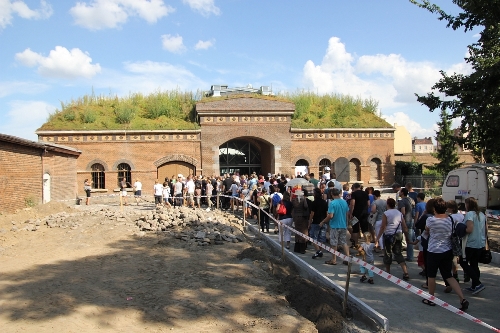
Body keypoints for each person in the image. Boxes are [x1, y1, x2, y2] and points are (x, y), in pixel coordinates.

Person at [424, 198, 469, 311]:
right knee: (448, 276)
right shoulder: (450, 219)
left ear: (434, 209)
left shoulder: (431, 220)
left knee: (431, 275)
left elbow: (427, 230)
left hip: (433, 251)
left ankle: (431, 298)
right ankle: (462, 299)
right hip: (447, 250)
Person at [375, 198, 410, 281]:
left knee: (388, 253)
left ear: (387, 204)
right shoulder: (399, 213)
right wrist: (407, 237)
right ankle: (405, 272)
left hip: (388, 235)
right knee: (398, 253)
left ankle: (388, 272)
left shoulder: (386, 213)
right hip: (398, 234)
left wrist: (378, 238)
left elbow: (383, 226)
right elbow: (404, 226)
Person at [460, 197, 487, 295]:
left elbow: (469, 229)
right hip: (480, 243)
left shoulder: (470, 214)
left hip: (470, 243)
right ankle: (474, 286)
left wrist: (461, 229)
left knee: (464, 263)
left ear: (468, 205)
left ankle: (477, 283)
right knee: (474, 264)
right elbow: (485, 229)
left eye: (466, 204)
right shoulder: (482, 214)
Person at [322, 188, 350, 265]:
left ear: (332, 194)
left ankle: (334, 259)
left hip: (334, 225)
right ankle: (347, 258)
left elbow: (330, 215)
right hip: (343, 225)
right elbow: (347, 213)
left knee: (334, 243)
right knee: (344, 242)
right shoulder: (344, 202)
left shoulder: (332, 203)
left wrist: (324, 221)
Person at [309, 188, 328, 259]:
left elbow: (312, 214)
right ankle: (320, 251)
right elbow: (326, 213)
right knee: (321, 238)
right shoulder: (324, 202)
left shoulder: (314, 203)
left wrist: (310, 221)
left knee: (313, 237)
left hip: (316, 222)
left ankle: (318, 251)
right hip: (323, 221)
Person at [399, 188, 415, 261]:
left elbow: (403, 212)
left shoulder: (402, 201)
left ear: (402, 193)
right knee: (409, 239)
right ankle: (410, 256)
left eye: (400, 192)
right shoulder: (410, 200)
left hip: (404, 221)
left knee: (398, 238)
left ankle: (398, 255)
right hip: (410, 219)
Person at [291, 187, 309, 253]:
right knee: (303, 232)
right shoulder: (303, 199)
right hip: (302, 217)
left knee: (297, 232)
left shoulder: (293, 200)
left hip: (296, 217)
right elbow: (306, 206)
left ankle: (296, 248)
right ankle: (302, 249)